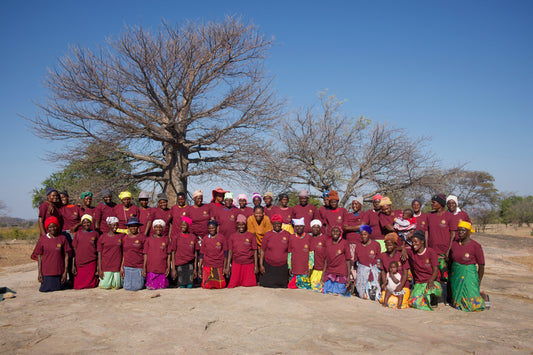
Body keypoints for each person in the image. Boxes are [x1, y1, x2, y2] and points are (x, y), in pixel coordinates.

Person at [449, 221, 486, 312]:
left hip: (469, 274)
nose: (460, 232)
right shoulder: (454, 244)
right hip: (456, 274)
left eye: (463, 230)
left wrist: (478, 281)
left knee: (473, 305)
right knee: (457, 303)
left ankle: (484, 297)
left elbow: (481, 265)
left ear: (469, 232)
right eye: (459, 230)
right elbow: (450, 259)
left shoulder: (475, 246)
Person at [426, 194, 454, 302]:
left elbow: (452, 234)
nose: (432, 204)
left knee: (446, 276)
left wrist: (448, 250)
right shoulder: (430, 216)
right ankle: (435, 297)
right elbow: (427, 232)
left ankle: (449, 297)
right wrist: (427, 247)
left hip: (444, 252)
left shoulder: (449, 216)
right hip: (433, 251)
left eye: (434, 202)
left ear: (441, 204)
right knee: (434, 274)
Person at [33, 216, 70, 292]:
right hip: (47, 272)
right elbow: (39, 256)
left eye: (54, 226)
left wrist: (65, 272)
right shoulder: (42, 239)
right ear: (47, 228)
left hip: (59, 272)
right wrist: (39, 273)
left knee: (60, 289)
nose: (52, 229)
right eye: (50, 227)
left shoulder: (62, 238)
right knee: (45, 289)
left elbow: (66, 256)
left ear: (57, 226)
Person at [407, 230, 442, 311]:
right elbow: (400, 249)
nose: (414, 244)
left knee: (432, 289)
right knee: (413, 302)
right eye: (412, 242)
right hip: (420, 282)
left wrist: (431, 280)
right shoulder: (412, 253)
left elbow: (435, 269)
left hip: (432, 281)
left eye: (416, 242)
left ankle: (434, 299)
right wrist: (404, 250)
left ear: (422, 241)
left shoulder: (430, 252)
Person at [379, 233, 410, 308]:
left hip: (402, 286)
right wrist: (385, 284)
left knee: (397, 302)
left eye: (390, 245)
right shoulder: (383, 255)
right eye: (387, 245)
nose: (388, 247)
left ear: (395, 244)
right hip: (390, 286)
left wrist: (401, 285)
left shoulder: (401, 255)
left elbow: (405, 272)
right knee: (384, 299)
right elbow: (383, 271)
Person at [227, 214, 258, 288]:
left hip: (249, 263)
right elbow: (230, 252)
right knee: (233, 285)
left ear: (246, 225)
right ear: (236, 225)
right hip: (236, 263)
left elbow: (255, 251)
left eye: (243, 225)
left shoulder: (251, 236)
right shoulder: (232, 236)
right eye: (239, 225)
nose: (241, 227)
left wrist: (256, 266)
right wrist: (228, 266)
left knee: (250, 286)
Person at [259, 215, 290, 288]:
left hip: (283, 267)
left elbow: (290, 252)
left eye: (278, 223)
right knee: (267, 286)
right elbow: (262, 250)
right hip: (269, 266)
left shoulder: (287, 235)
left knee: (283, 286)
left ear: (281, 224)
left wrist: (290, 266)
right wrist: (261, 265)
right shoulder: (267, 235)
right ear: (272, 224)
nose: (277, 225)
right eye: (274, 223)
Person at [354, 225, 382, 301]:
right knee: (363, 296)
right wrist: (356, 278)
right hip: (362, 274)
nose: (363, 236)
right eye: (361, 235)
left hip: (373, 273)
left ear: (369, 234)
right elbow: (357, 263)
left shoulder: (376, 245)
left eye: (365, 234)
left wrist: (378, 276)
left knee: (374, 297)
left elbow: (378, 261)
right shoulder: (358, 246)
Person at [71, 214, 99, 289]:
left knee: (92, 284)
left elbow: (98, 250)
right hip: (80, 262)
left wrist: (98, 266)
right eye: (84, 222)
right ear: (81, 224)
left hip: (91, 262)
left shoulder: (95, 234)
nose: (86, 224)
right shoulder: (78, 234)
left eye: (88, 222)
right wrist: (74, 264)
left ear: (91, 223)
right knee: (78, 285)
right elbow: (74, 249)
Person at [322, 226, 351, 296]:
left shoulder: (345, 243)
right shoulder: (327, 243)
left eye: (337, 231)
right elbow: (326, 259)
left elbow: (348, 260)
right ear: (331, 233)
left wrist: (348, 276)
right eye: (333, 231)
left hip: (341, 273)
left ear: (340, 233)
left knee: (339, 294)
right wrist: (323, 274)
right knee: (327, 292)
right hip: (329, 272)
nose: (335, 233)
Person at [199, 220, 228, 289]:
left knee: (221, 285)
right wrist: (200, 267)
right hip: (208, 264)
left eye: (213, 228)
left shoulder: (222, 238)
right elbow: (202, 253)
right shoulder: (205, 239)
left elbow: (225, 253)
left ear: (216, 228)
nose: (211, 230)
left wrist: (225, 266)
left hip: (218, 264)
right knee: (206, 286)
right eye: (209, 228)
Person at [170, 217, 199, 288]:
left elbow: (195, 254)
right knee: (181, 286)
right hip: (179, 265)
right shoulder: (176, 237)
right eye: (181, 225)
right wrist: (173, 269)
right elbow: (173, 253)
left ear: (188, 226)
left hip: (190, 265)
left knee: (190, 286)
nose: (182, 226)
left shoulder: (193, 237)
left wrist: (195, 269)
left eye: (184, 225)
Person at [143, 219, 171, 290]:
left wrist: (168, 267)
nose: (158, 229)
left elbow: (169, 255)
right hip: (151, 269)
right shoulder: (148, 240)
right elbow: (145, 254)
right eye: (156, 227)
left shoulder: (166, 239)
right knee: (151, 288)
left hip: (162, 269)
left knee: (162, 289)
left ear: (163, 228)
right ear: (153, 228)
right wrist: (144, 267)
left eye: (160, 227)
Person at [97, 217, 124, 289]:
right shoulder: (102, 237)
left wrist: (122, 266)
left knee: (117, 285)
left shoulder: (121, 236)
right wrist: (99, 269)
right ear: (109, 225)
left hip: (117, 266)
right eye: (113, 225)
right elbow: (99, 255)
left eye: (117, 225)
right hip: (106, 266)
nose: (115, 227)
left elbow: (124, 252)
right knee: (105, 286)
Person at [343, 196, 365, 282]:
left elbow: (363, 226)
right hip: (349, 243)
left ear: (361, 205)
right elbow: (344, 228)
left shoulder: (364, 215)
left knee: (359, 263)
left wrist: (350, 227)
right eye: (353, 204)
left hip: (360, 242)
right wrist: (357, 228)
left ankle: (359, 281)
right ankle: (351, 281)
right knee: (350, 263)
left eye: (356, 204)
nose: (354, 206)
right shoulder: (348, 215)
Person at [121, 217, 146, 291]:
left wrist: (144, 268)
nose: (133, 228)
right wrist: (122, 267)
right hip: (127, 267)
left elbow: (145, 254)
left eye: (135, 225)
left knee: (137, 287)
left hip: (138, 267)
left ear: (138, 227)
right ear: (128, 227)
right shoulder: (125, 238)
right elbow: (124, 253)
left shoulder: (142, 237)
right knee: (127, 287)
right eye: (131, 226)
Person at [287, 218, 313, 289]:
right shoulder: (291, 237)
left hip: (305, 267)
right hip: (294, 266)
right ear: (295, 227)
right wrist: (289, 266)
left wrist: (310, 266)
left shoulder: (309, 237)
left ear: (304, 227)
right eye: (297, 226)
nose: (299, 228)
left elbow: (311, 253)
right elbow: (289, 253)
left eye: (301, 226)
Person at [309, 219, 327, 291]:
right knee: (312, 288)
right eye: (314, 227)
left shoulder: (324, 238)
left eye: (318, 227)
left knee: (321, 289)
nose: (316, 229)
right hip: (312, 270)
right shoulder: (309, 238)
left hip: (322, 270)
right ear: (311, 228)